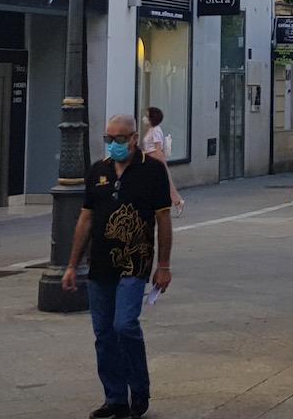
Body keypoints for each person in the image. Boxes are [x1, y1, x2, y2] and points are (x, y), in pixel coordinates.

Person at [63, 115, 172, 419]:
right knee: (104, 333)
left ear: (134, 138)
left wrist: (163, 265)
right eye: (109, 139)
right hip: (99, 264)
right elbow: (85, 218)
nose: (114, 144)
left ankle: (138, 389)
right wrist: (72, 264)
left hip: (134, 262)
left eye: (120, 139)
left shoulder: (152, 171)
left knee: (124, 325)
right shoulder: (99, 171)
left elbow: (163, 219)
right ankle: (115, 398)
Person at [141, 107, 183, 216]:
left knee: (165, 183)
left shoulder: (155, 131)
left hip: (155, 159)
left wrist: (161, 162)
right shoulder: (151, 130)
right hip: (150, 158)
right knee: (159, 183)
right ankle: (177, 201)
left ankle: (177, 201)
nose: (144, 118)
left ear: (152, 118)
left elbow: (158, 149)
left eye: (147, 116)